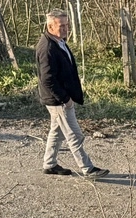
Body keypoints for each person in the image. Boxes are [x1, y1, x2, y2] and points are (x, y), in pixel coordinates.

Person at [36, 9, 109, 178]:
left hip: (60, 98)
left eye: (67, 25)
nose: (66, 29)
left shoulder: (58, 41)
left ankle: (49, 164)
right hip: (58, 100)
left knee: (57, 131)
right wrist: (65, 99)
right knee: (74, 134)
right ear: (50, 26)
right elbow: (47, 80)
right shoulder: (47, 48)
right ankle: (88, 169)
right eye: (62, 26)